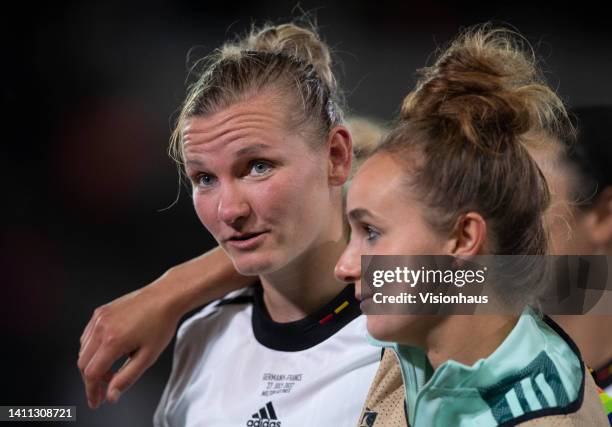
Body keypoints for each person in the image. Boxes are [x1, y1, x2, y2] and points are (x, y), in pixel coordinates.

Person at [334, 26, 609, 426]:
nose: (344, 267)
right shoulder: (407, 356)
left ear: (464, 238)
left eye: (371, 233)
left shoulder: (544, 417)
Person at [142, 21, 388, 426]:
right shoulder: (202, 336)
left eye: (257, 167)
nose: (228, 211)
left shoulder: (419, 309)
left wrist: (172, 289)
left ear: (336, 156)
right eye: (204, 178)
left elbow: (519, 278)